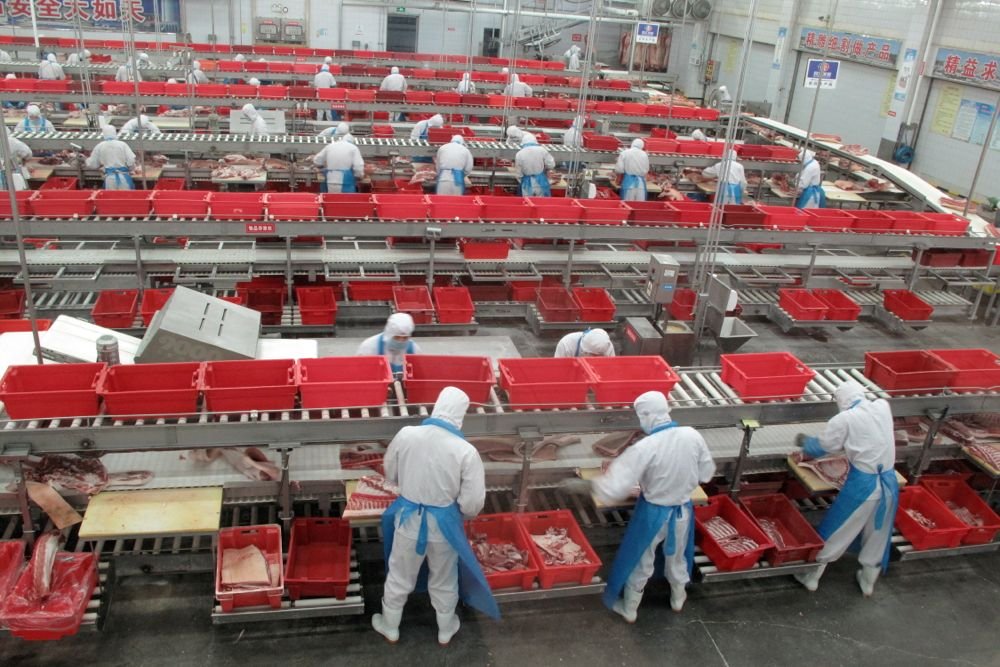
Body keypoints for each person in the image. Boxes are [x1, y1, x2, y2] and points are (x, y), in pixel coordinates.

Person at [372, 386, 499, 646]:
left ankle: (390, 626)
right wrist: (460, 513)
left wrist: (406, 485)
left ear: (437, 406)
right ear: (461, 415)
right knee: (444, 576)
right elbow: (473, 502)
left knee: (400, 573)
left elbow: (390, 470)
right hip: (444, 525)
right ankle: (445, 628)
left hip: (408, 519)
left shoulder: (407, 434)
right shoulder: (466, 451)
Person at [591, 391, 715, 620]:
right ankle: (678, 599)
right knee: (677, 557)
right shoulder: (692, 435)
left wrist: (591, 486)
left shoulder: (646, 447)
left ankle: (629, 609)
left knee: (641, 559)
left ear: (646, 415)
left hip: (652, 515)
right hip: (682, 511)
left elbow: (614, 488)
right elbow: (706, 473)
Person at [792, 380, 899, 597]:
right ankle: (868, 583)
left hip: (863, 486)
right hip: (889, 483)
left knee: (837, 529)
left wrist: (806, 442)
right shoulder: (882, 406)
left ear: (841, 401)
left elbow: (826, 446)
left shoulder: (845, 418)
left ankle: (811, 577)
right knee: (878, 534)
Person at [356, 313, 422, 375]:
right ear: (389, 335)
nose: (400, 341)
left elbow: (420, 374)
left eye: (405, 338)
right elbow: (360, 373)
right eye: (396, 337)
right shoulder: (369, 347)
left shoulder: (414, 349)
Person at [86, 125, 137, 190]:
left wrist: (85, 159)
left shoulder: (100, 146)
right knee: (126, 196)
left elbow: (92, 164)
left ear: (104, 134)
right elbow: (131, 160)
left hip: (109, 179)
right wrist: (131, 169)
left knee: (111, 196)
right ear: (115, 133)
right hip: (123, 178)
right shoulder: (122, 145)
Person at [514, 132, 555, 197]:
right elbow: (551, 164)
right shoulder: (542, 150)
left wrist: (522, 180)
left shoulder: (519, 154)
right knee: (541, 201)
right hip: (541, 181)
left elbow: (518, 174)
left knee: (527, 201)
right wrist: (546, 169)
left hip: (526, 183)